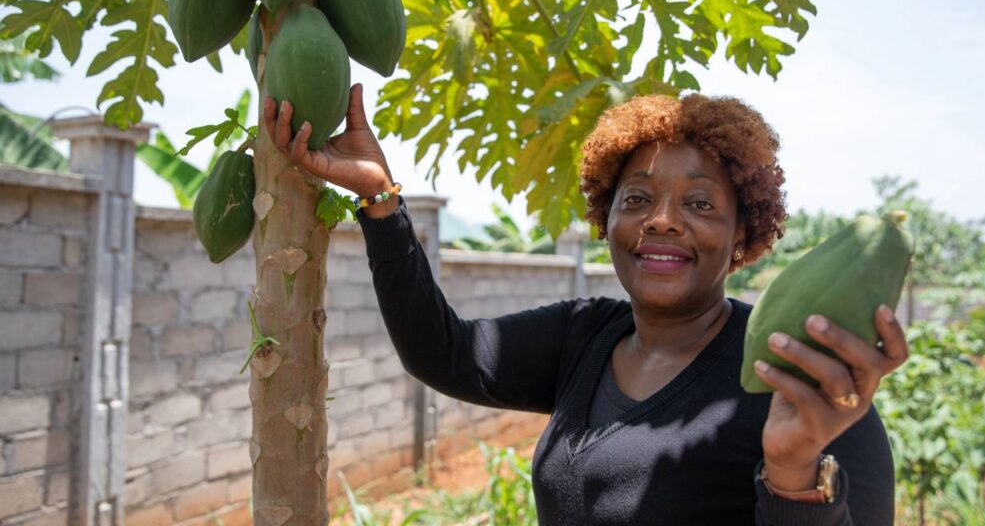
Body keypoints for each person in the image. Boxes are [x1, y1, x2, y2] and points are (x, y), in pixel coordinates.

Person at [265, 85, 906, 525]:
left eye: (700, 204)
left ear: (744, 233)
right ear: (609, 221)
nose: (661, 221)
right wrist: (382, 201)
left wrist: (792, 473)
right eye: (636, 199)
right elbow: (447, 354)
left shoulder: (799, 385)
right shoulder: (587, 335)